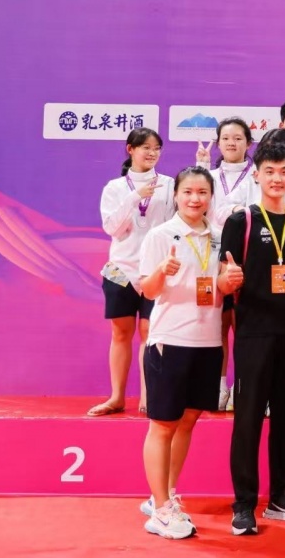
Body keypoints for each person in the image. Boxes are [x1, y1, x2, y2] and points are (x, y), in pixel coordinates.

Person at [220, 139, 285, 536]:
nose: (277, 178)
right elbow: (222, 281)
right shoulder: (240, 221)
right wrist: (227, 280)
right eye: (270, 171)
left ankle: (281, 497)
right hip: (255, 335)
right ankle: (244, 504)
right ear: (257, 175)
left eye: (284, 171)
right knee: (247, 422)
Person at [137, 167, 226, 539]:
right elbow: (147, 290)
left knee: (188, 420)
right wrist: (162, 271)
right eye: (188, 191)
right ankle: (160, 510)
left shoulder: (219, 237)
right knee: (163, 424)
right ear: (176, 195)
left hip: (208, 341)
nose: (195, 199)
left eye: (202, 192)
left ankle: (165, 494)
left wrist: (228, 282)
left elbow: (220, 287)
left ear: (210, 196)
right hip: (170, 340)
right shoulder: (160, 235)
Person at [90, 127, 174, 417]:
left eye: (156, 148)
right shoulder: (115, 188)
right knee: (120, 333)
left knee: (150, 332)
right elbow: (113, 228)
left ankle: (149, 397)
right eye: (145, 147)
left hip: (155, 270)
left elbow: (174, 224)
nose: (152, 153)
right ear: (130, 149)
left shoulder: (169, 184)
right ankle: (116, 397)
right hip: (120, 270)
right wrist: (134, 197)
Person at [198, 117, 254, 411]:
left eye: (238, 138)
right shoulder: (209, 175)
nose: (232, 143)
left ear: (249, 143)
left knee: (242, 326)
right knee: (215, 325)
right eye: (226, 138)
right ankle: (218, 386)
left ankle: (241, 386)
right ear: (218, 142)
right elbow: (198, 209)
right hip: (209, 257)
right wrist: (201, 168)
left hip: (245, 256)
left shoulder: (257, 175)